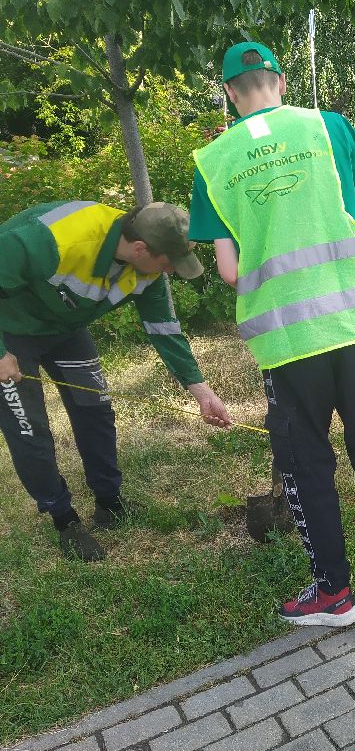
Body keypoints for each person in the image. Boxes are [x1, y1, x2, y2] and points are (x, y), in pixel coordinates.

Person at [189, 41, 355, 627]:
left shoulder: (213, 162)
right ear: (281, 82)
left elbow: (229, 271)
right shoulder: (331, 128)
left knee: (307, 465)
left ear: (229, 93)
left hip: (285, 342)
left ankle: (334, 594)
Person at [0, 200, 231, 561]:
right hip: (11, 329)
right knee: (28, 427)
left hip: (66, 330)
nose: (170, 271)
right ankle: (64, 519)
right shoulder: (54, 239)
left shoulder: (147, 269)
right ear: (140, 249)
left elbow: (163, 329)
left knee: (95, 410)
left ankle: (109, 502)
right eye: (168, 262)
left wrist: (201, 391)